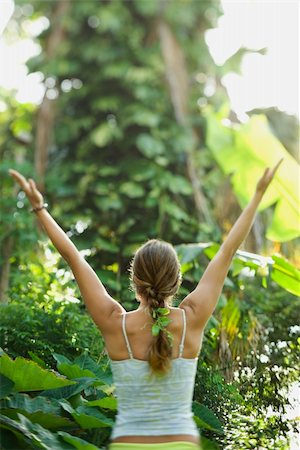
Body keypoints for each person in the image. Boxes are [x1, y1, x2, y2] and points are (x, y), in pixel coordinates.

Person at [9, 159, 282, 450]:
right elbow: (227, 251)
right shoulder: (192, 318)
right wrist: (257, 196)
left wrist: (39, 207)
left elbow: (73, 257)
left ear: (135, 279)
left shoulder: (116, 323)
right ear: (176, 280)